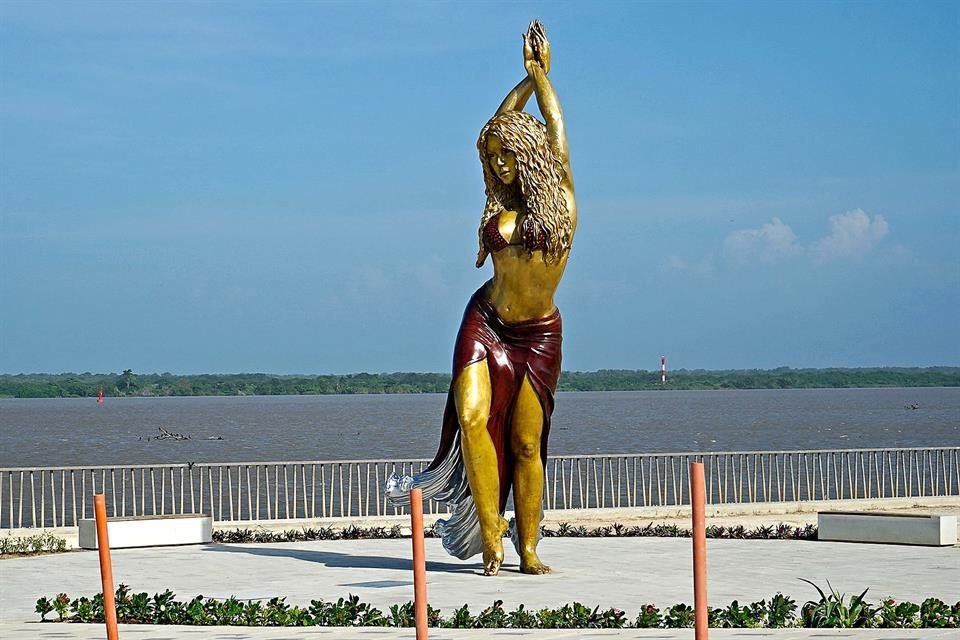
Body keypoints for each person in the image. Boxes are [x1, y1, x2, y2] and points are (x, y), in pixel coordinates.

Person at [388, 21, 576, 577]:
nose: (497, 165)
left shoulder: (561, 199)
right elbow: (491, 128)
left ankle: (530, 547)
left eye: (506, 155)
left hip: (537, 337)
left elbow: (557, 134)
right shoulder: (498, 202)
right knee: (472, 419)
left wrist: (540, 78)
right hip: (486, 321)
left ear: (530, 155)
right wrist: (518, 85)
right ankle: (491, 540)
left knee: (524, 444)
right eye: (492, 157)